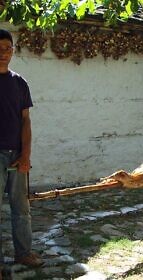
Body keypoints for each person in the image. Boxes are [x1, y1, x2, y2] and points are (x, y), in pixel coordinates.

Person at [0, 29, 43, 275]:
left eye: (8, 48)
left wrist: (25, 154)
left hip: (16, 155)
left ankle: (24, 253)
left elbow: (25, 120)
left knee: (22, 209)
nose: (3, 54)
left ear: (13, 51)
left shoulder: (19, 83)